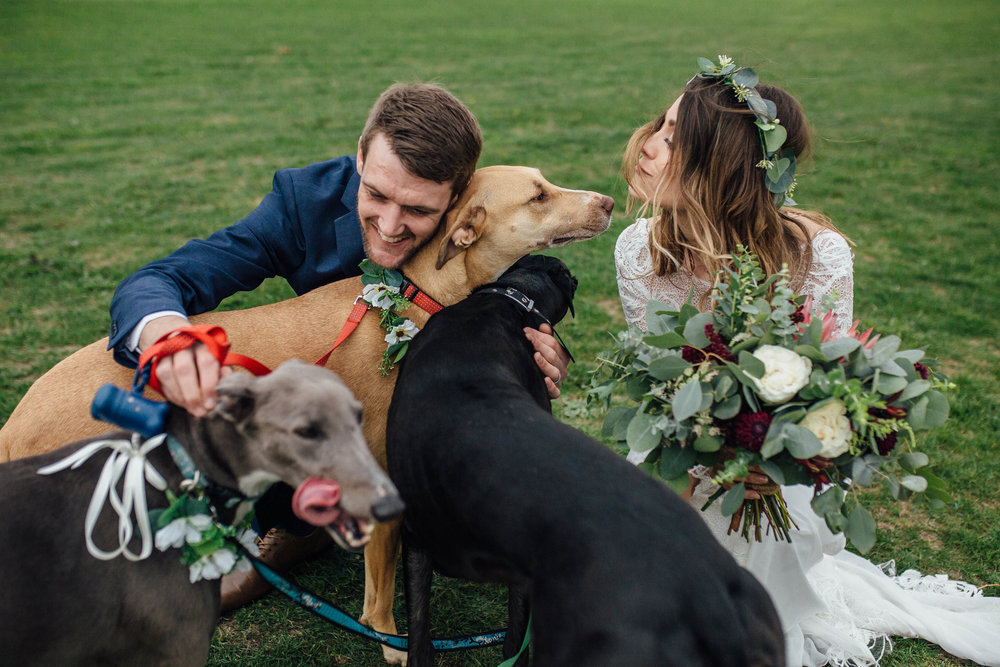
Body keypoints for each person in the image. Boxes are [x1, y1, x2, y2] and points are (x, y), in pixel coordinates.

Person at [108, 82, 571, 610]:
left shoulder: (492, 214)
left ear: (458, 197)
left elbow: (529, 291)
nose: (391, 225)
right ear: (359, 156)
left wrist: (534, 355)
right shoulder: (303, 202)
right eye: (376, 194)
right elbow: (166, 277)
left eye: (417, 209)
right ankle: (295, 527)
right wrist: (166, 335)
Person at [614, 57, 1000, 667]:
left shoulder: (817, 255)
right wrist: (694, 455)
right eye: (659, 126)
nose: (648, 146)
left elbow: (832, 392)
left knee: (749, 531)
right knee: (655, 539)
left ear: (722, 167)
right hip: (680, 445)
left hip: (782, 465)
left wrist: (774, 456)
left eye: (672, 140)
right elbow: (659, 383)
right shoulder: (639, 248)